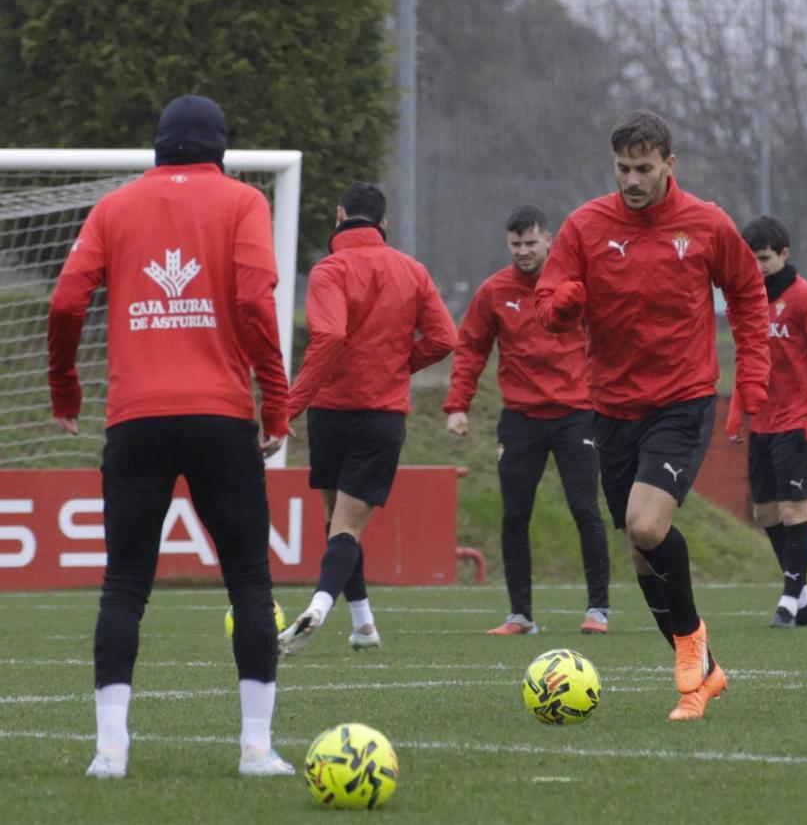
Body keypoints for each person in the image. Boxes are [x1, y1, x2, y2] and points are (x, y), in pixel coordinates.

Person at [47, 94, 293, 778]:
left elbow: (67, 300)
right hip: (219, 414)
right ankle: (254, 748)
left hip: (136, 418)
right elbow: (253, 302)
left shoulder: (114, 207)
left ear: (159, 147)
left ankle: (111, 752)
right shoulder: (243, 203)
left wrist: (64, 387)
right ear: (221, 148)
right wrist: (276, 400)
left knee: (124, 583)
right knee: (248, 577)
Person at [534, 110, 770, 720]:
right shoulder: (586, 225)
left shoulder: (707, 224)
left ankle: (692, 645)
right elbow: (547, 303)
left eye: (644, 168)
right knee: (642, 552)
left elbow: (746, 294)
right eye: (622, 169)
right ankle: (704, 678)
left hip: (682, 398)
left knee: (645, 525)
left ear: (670, 164)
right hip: (611, 406)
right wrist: (561, 306)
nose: (632, 180)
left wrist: (753, 376)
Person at [278, 181, 456, 656]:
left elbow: (330, 336)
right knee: (345, 527)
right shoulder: (411, 271)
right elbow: (443, 338)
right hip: (381, 416)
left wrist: (287, 407)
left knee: (337, 525)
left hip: (331, 413)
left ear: (339, 216)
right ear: (384, 224)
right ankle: (363, 625)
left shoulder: (328, 270)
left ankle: (320, 606)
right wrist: (398, 364)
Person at [443, 205, 610, 636]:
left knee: (584, 509)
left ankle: (598, 609)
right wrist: (458, 405)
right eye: (516, 244)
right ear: (508, 243)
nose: (523, 251)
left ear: (548, 240)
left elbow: (612, 338)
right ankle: (521, 616)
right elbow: (471, 349)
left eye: (531, 242)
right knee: (515, 515)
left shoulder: (576, 287)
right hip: (520, 419)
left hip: (577, 415)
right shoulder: (495, 291)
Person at [725, 216, 807, 628]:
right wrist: (737, 412)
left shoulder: (806, 296)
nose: (756, 268)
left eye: (764, 259)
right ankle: (804, 599)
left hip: (798, 421)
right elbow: (747, 358)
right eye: (750, 260)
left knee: (795, 510)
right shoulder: (747, 300)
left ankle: (789, 600)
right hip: (764, 422)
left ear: (784, 254)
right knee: (766, 513)